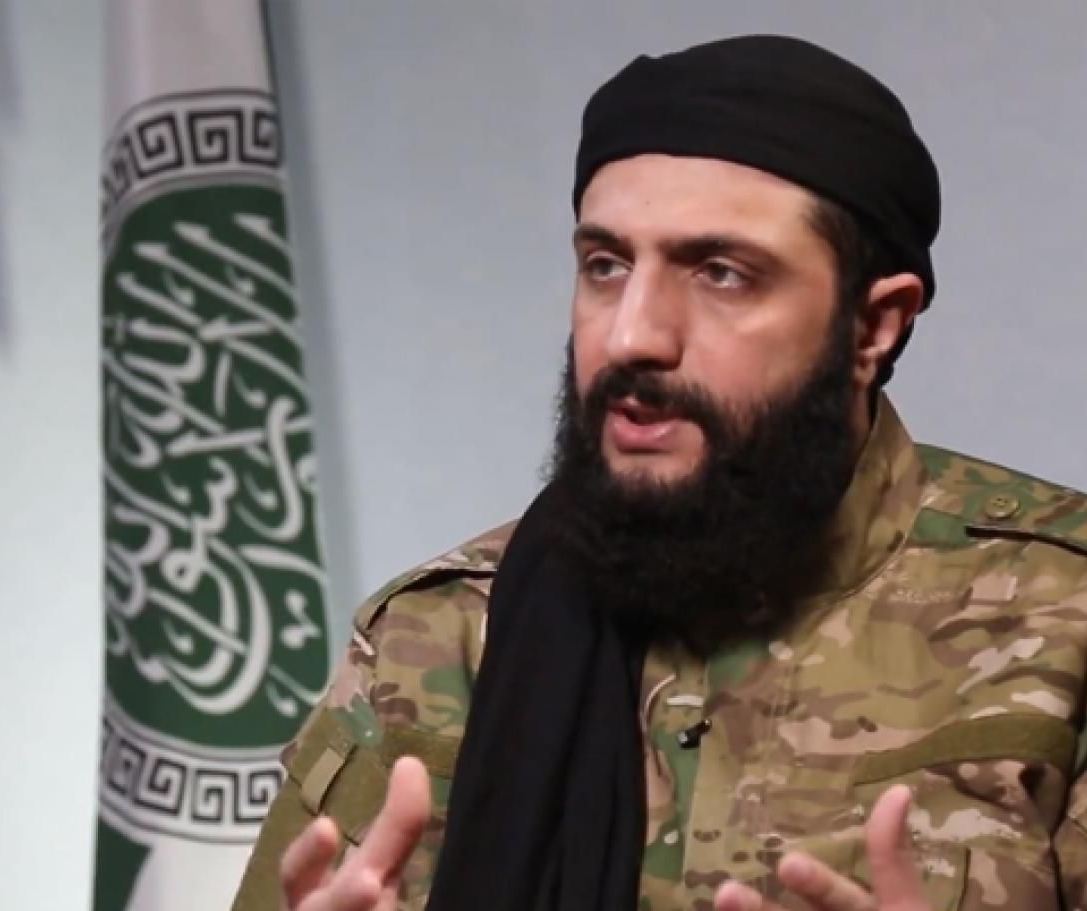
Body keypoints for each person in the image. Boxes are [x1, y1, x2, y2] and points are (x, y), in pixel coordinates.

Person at [231, 34, 1087, 911]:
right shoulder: (432, 639)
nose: (633, 334)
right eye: (605, 266)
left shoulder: (1066, 620)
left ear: (874, 326)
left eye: (722, 273)